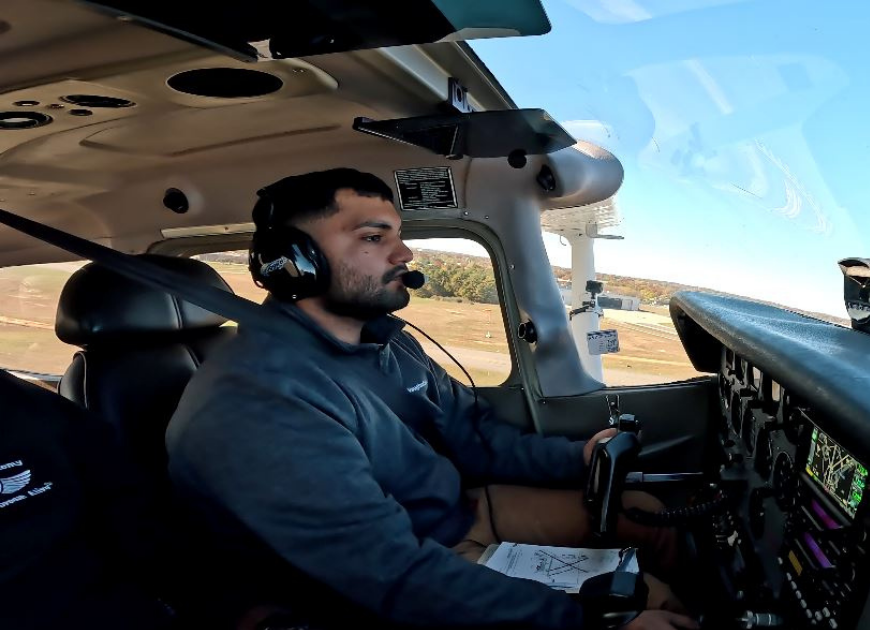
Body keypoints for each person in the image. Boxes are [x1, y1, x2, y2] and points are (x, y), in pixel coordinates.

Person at [165, 168, 698, 630]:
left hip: (454, 515)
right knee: (646, 599)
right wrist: (587, 621)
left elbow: (474, 434)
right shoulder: (260, 401)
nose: (405, 253)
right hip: (406, 565)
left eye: (398, 235)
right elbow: (390, 574)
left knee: (649, 515)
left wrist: (576, 458)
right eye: (374, 238)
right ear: (294, 261)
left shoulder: (387, 339)